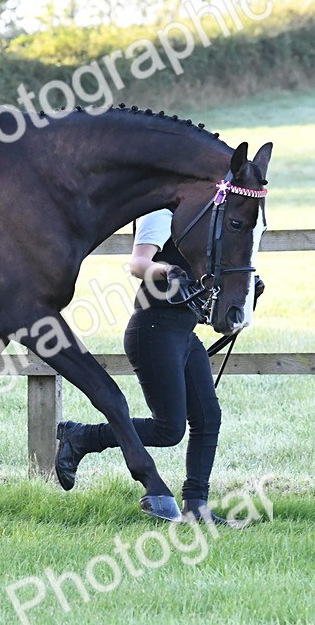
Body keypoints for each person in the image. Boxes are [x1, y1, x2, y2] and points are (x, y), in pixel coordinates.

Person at [54, 208, 249, 525]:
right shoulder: (160, 210)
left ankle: (196, 507)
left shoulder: (201, 217)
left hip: (183, 333)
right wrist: (167, 270)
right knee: (169, 429)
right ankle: (81, 437)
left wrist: (243, 292)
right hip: (153, 331)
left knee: (207, 416)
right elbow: (138, 263)